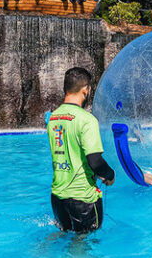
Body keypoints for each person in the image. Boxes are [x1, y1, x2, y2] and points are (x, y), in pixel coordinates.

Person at [47, 67, 115, 233]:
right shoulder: (87, 120)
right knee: (82, 246)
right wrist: (110, 175)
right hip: (82, 200)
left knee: (63, 235)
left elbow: (72, 154)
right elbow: (95, 161)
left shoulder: (53, 118)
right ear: (86, 90)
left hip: (57, 197)